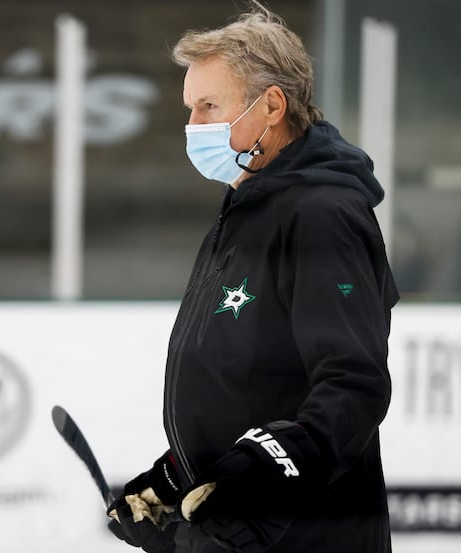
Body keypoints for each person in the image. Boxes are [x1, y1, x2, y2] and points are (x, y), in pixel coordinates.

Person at [106, 2, 399, 553]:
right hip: (239, 534)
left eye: (208, 106)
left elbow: (353, 386)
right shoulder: (247, 205)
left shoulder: (322, 215)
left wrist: (259, 473)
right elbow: (250, 381)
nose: (192, 126)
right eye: (190, 109)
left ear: (270, 105)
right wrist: (174, 479)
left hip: (305, 534)